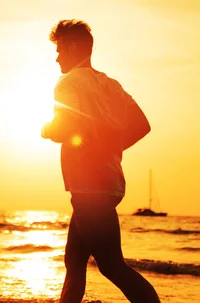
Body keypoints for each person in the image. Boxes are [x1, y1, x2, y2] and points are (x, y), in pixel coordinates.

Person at [41, 19, 161, 303]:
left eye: (59, 49)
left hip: (88, 185)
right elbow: (142, 125)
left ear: (71, 47)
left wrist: (47, 129)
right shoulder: (111, 84)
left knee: (111, 265)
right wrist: (108, 147)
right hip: (108, 183)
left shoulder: (67, 83)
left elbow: (66, 125)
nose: (56, 56)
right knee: (74, 262)